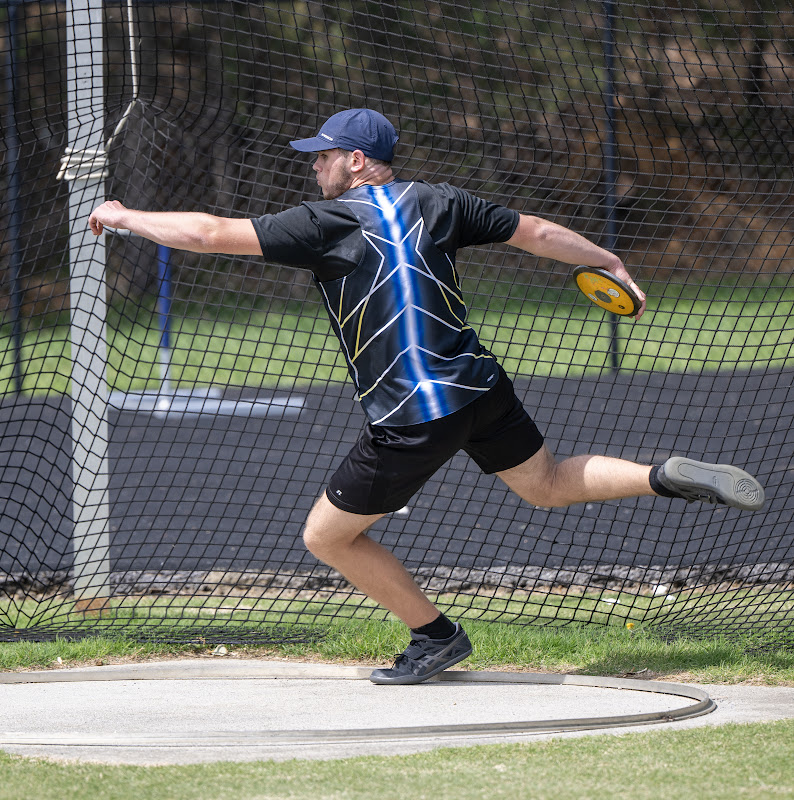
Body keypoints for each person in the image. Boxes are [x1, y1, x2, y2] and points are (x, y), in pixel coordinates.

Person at [90, 108, 766, 685]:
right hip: (478, 386)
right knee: (548, 484)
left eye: (322, 157)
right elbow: (534, 232)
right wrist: (605, 261)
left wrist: (124, 216)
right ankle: (662, 476)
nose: (313, 168)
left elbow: (209, 233)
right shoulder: (441, 201)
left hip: (414, 414)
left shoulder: (326, 220)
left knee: (326, 536)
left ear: (356, 161)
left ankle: (436, 636)